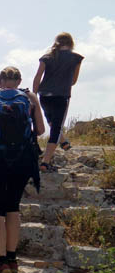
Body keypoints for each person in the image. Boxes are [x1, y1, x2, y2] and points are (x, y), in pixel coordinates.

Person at [0, 67, 46, 273]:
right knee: (13, 207)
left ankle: (2, 262)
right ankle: (13, 259)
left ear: (0, 80)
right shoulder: (29, 97)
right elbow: (41, 130)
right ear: (19, 80)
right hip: (23, 158)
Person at [32, 32, 84, 171]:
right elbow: (73, 81)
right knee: (56, 127)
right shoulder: (76, 58)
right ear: (71, 43)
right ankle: (45, 162)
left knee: (51, 121)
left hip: (44, 95)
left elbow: (37, 77)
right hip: (61, 95)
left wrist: (33, 95)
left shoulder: (47, 57)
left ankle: (64, 142)